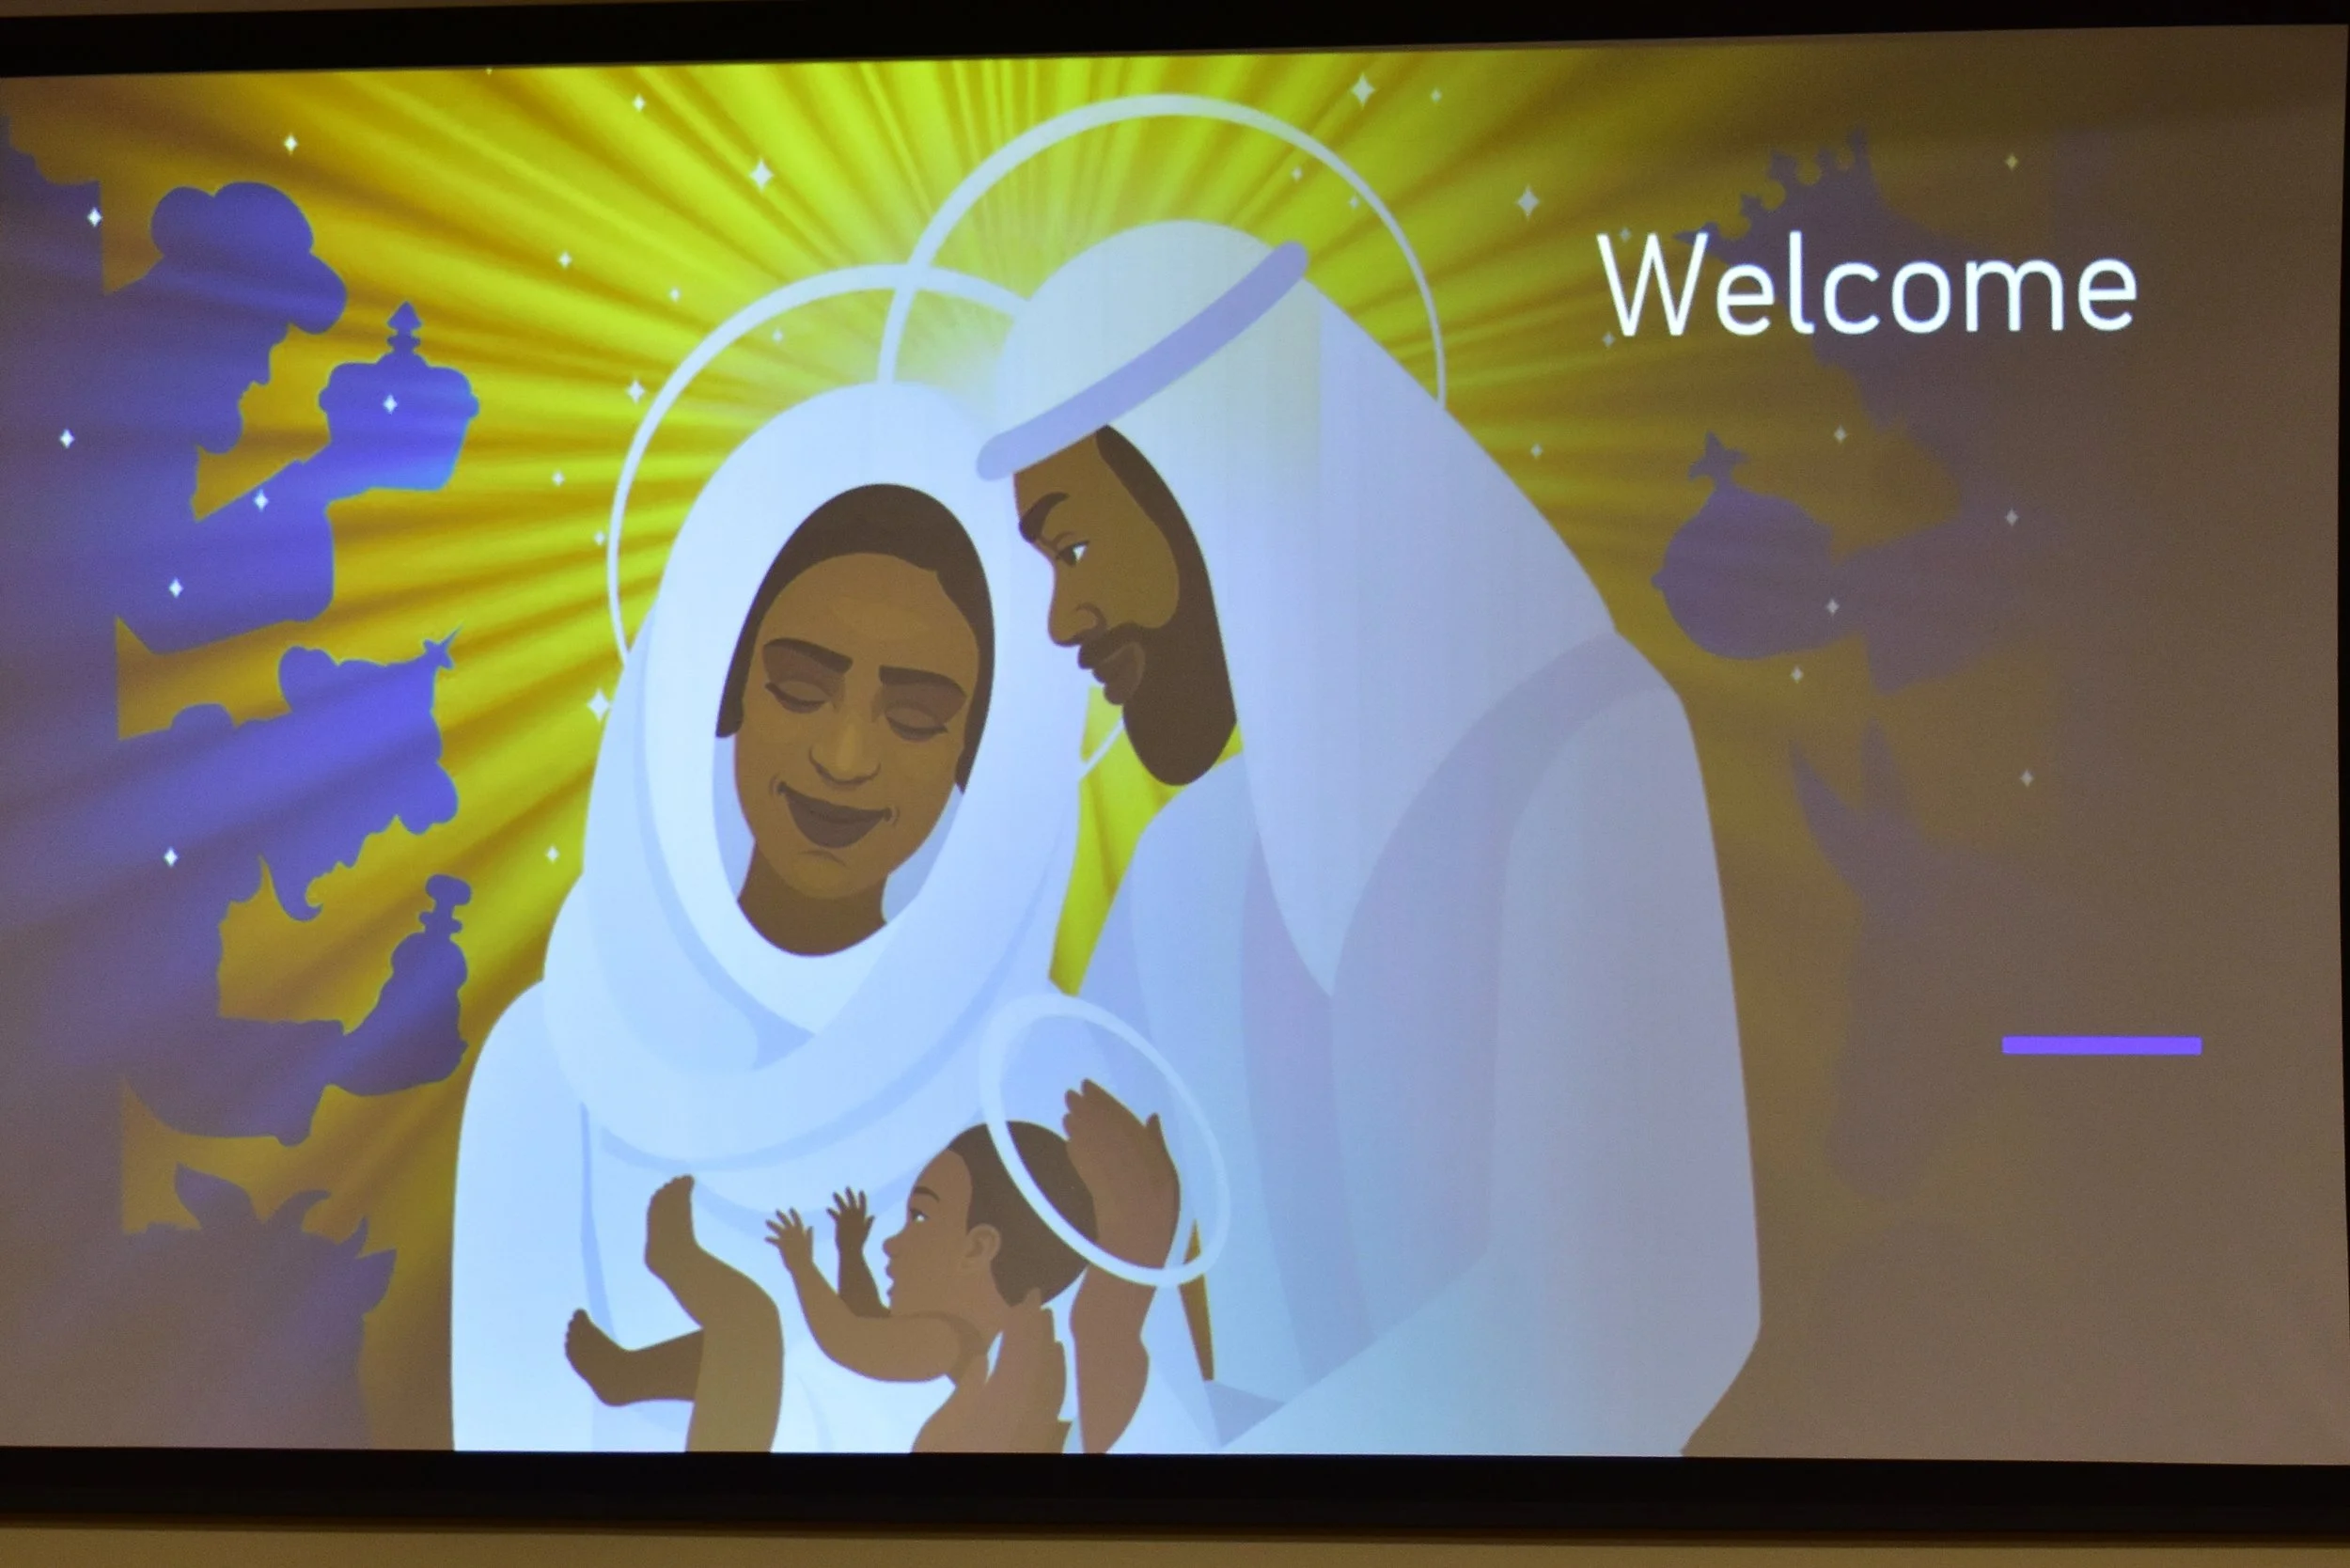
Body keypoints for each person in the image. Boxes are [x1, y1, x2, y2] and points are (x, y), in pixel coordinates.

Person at [975, 222, 1761, 1454]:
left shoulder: (1586, 749)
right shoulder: (1186, 867)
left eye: (1073, 547)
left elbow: (1650, 1312)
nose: (1064, 617)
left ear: (1208, 481)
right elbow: (1088, 1262)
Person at [451, 383, 1116, 1451]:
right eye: (802, 689)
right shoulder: (551, 1064)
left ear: (973, 758)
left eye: (914, 716)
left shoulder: (1043, 1072)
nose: (845, 756)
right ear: (725, 693)